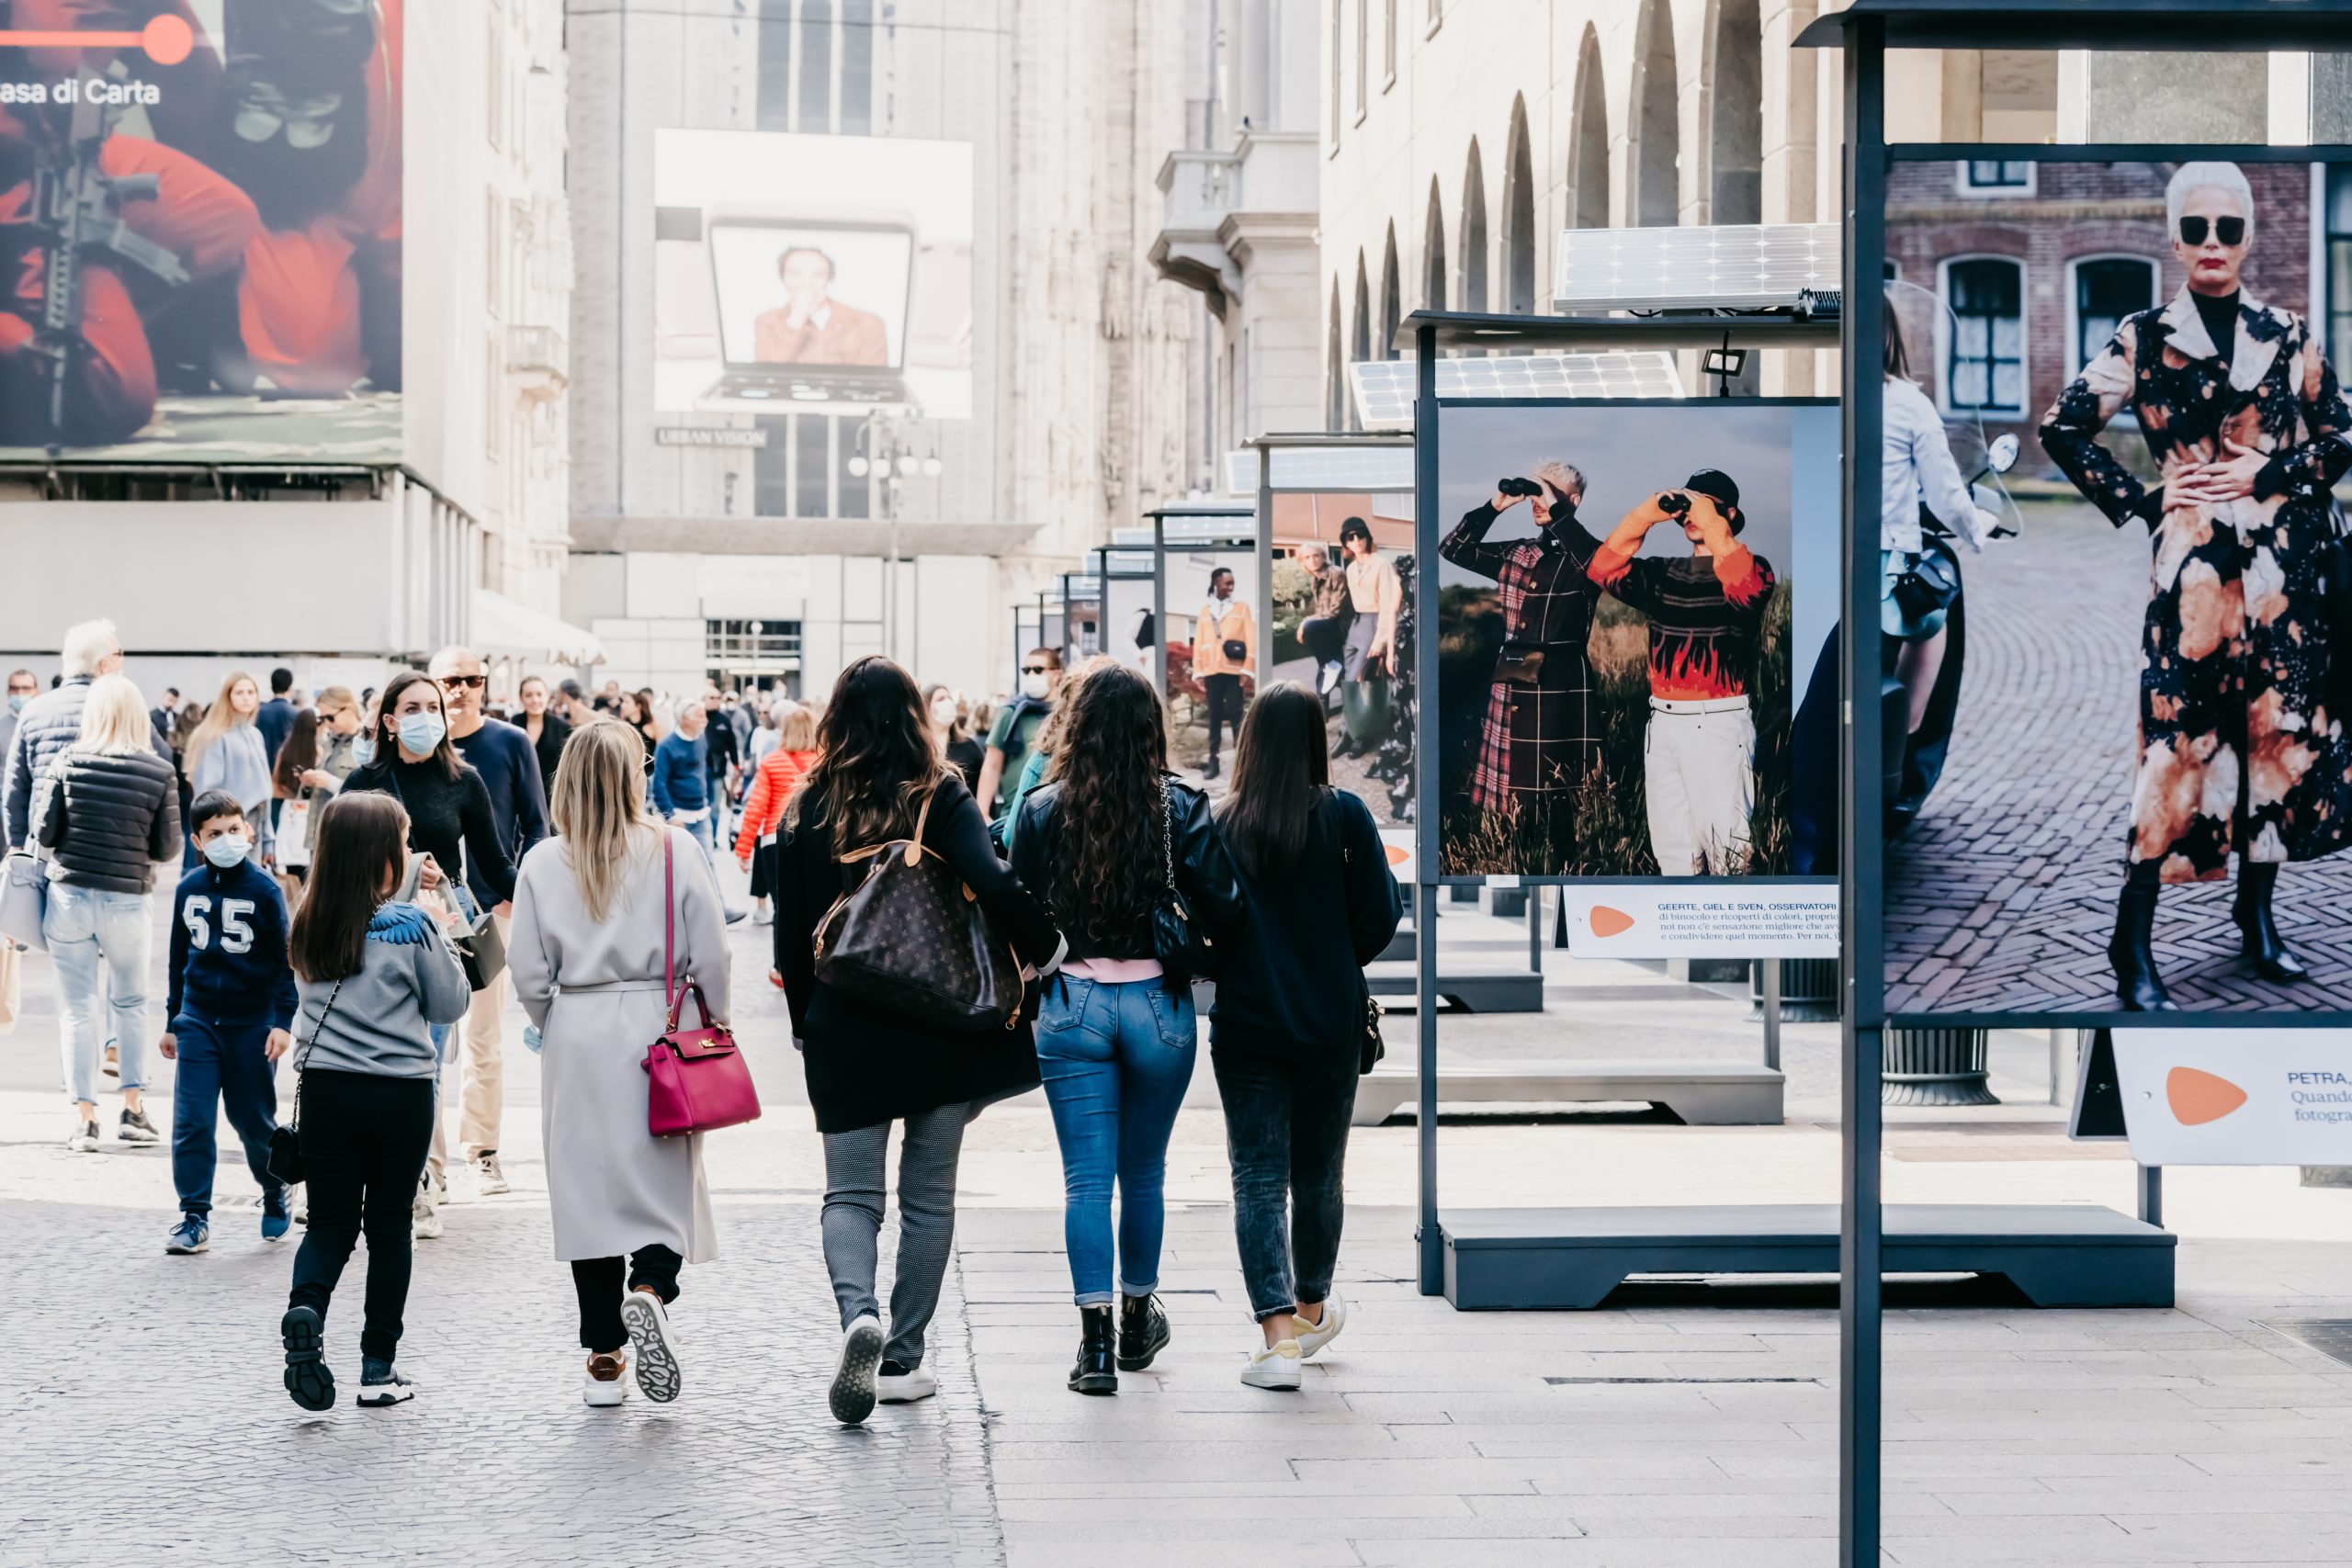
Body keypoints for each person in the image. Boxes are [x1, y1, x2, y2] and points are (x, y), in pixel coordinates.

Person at [2040, 161, 2352, 1011]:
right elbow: (2062, 427)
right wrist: (2143, 497)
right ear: (2175, 238)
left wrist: (2273, 469)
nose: (2213, 244)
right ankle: (2129, 942)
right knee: (2176, 750)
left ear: (2248, 237)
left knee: (2270, 744)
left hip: (2285, 582)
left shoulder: (2289, 335)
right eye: (2197, 229)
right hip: (2196, 585)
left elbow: (2343, 435)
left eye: (2229, 229)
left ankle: (2257, 921)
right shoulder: (2143, 336)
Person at [775, 657, 1064, 1427]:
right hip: (946, 1024)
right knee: (928, 1198)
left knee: (850, 1196)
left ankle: (857, 1319)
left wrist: (811, 1025)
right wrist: (1049, 947)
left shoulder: (805, 806)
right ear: (913, 717)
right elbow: (995, 883)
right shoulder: (939, 794)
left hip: (845, 1025)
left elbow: (789, 939)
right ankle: (901, 1359)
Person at [1010, 662, 1242, 1395]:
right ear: (1152, 727)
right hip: (1160, 1008)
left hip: (1072, 1003)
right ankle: (1141, 1317)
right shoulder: (1181, 805)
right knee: (1143, 1174)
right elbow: (1227, 901)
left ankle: (1097, 1348)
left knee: (1085, 1180)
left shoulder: (1045, 807)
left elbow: (1015, 905)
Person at [510, 720, 729, 1407]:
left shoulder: (543, 861)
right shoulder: (674, 848)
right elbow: (712, 951)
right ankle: (650, 1287)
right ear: (636, 776)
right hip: (659, 1026)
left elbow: (526, 968)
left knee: (585, 1188)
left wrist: (556, 1021)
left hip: (577, 1023)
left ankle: (605, 1354)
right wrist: (714, 1020)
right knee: (664, 1179)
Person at [1209, 681, 1401, 1389]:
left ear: (1250, 742)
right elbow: (1381, 914)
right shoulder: (1346, 814)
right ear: (1318, 740)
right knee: (1319, 1172)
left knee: (1257, 1178)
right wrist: (1331, 954)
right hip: (1330, 1022)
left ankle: (1277, 1341)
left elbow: (1209, 929)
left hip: (1249, 1026)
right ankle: (1313, 1305)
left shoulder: (1223, 822)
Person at [279, 791, 473, 1412]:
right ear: (385, 858)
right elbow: (450, 1005)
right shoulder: (409, 928)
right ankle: (377, 1368)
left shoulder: (306, 921)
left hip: (329, 1093)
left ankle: (306, 1307)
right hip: (399, 1095)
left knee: (331, 1221)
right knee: (389, 1227)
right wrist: (436, 934)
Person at [338, 669, 519, 1235]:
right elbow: (338, 863)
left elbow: (494, 863)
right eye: (411, 708)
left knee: (428, 1061)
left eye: (432, 706)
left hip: (441, 933)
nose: (426, 717)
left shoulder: (463, 781)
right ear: (389, 721)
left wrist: (543, 894)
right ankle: (390, 1173)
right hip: (375, 933)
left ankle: (421, 1179)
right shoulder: (362, 782)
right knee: (382, 1060)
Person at [1587, 473, 1778, 876]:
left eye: (1705, 503)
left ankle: (1730, 929)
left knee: (1728, 846)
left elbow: (1746, 587)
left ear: (1730, 513)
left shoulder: (1754, 569)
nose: (1691, 512)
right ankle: (1685, 929)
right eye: (1688, 506)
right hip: (1664, 721)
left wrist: (1709, 518)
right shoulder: (1663, 572)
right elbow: (1602, 569)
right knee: (1673, 848)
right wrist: (1644, 516)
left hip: (1718, 721)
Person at [38, 675, 181, 1153]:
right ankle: (134, 1110)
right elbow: (166, 847)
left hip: (70, 897)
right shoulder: (158, 771)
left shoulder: (67, 761)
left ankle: (85, 1119)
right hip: (127, 899)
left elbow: (46, 832)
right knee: (131, 1004)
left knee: (77, 1008)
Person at [428, 646, 549, 1200]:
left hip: (487, 914)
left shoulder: (508, 743)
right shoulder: (416, 749)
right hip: (422, 917)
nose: (461, 689)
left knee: (482, 1039)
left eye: (471, 679)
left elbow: (536, 824)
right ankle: (428, 1164)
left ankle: (481, 1151)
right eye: (450, 680)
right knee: (423, 1045)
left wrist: (513, 894)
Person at [160, 791, 298, 1255]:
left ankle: (274, 1185)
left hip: (252, 1023)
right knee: (192, 1120)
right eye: (215, 833)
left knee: (251, 1119)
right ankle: (194, 1215)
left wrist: (282, 1021)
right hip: (198, 1019)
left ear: (249, 831)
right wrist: (172, 1019)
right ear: (198, 841)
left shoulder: (264, 890)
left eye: (233, 830)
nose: (226, 839)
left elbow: (284, 961)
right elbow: (179, 957)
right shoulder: (189, 887)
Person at [1442, 465, 1606, 825]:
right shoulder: (1518, 553)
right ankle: (1515, 850)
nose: (1538, 499)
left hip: (1561, 684)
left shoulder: (1588, 557)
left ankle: (1560, 855)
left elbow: (1597, 562)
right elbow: (1452, 549)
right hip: (1514, 677)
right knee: (1511, 795)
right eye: (1535, 490)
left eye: (1549, 491)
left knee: (1560, 789)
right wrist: (1496, 505)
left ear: (1573, 501)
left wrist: (1557, 511)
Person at [1882, 310, 2003, 737]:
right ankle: (1904, 739)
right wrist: (1979, 526)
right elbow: (1947, 495)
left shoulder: (1829, 395)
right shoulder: (1907, 402)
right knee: (1933, 625)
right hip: (1883, 570)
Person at [5, 620, 160, 850]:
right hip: (112, 846)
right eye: (119, 654)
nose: (122, 660)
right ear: (105, 664)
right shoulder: (124, 708)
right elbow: (159, 766)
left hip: (43, 845)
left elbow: (16, 787)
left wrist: (17, 845)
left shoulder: (33, 710)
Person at [734, 702, 819, 925]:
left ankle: (782, 960)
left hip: (774, 838)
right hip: (813, 838)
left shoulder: (771, 762)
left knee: (781, 908)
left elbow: (756, 807)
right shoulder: (822, 761)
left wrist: (743, 849)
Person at [184, 672, 277, 871]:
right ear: (228, 697)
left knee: (251, 889)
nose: (246, 697)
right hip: (230, 825)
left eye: (251, 692)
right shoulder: (216, 736)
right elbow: (208, 792)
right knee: (233, 887)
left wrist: (269, 839)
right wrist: (228, 830)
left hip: (256, 821)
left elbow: (264, 788)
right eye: (239, 692)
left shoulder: (254, 734)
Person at [752, 245, 889, 367]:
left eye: (817, 275)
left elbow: (872, 384)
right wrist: (796, 320)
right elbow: (766, 376)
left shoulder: (867, 323)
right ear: (784, 280)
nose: (807, 283)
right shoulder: (767, 322)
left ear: (829, 281)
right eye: (795, 274)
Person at [1337, 519, 1403, 760]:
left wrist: (1380, 640)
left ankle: (1354, 736)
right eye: (1350, 537)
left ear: (1367, 537)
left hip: (1374, 623)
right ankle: (1349, 731)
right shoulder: (1351, 567)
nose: (1356, 541)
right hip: (1357, 624)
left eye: (1360, 535)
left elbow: (1387, 604)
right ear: (1345, 541)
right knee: (1347, 678)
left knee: (1357, 679)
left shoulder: (1381, 564)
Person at [976, 648, 1061, 820]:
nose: (1031, 675)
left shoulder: (1066, 712)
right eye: (1026, 670)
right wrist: (982, 814)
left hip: (1056, 812)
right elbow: (992, 765)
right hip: (1014, 814)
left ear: (1056, 674)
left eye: (1038, 669)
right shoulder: (1010, 712)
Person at [1193, 569, 1255, 781]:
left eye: (1233, 582)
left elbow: (1251, 639)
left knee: (1236, 713)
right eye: (1226, 582)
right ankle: (1214, 759)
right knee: (1215, 715)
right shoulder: (1205, 610)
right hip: (1211, 669)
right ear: (1216, 582)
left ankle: (1242, 761)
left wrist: (1247, 669)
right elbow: (1199, 642)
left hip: (1234, 670)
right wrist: (1198, 671)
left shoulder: (1242, 607)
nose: (1230, 586)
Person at [650, 700, 718, 852]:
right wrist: (671, 815)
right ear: (685, 719)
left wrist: (709, 799)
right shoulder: (666, 746)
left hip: (701, 814)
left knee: (707, 864)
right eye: (700, 716)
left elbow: (705, 770)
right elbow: (659, 783)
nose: (705, 720)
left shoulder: (701, 739)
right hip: (678, 817)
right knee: (678, 868)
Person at [269, 708, 323, 894]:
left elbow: (275, 784)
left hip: (286, 809)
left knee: (288, 856)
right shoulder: (319, 752)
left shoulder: (285, 750)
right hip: (311, 811)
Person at [1295, 544, 1353, 698]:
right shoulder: (1315, 578)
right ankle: (1323, 708)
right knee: (1325, 670)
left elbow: (1335, 610)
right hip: (1329, 625)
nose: (1313, 560)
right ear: (1303, 562)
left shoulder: (1336, 574)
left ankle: (1331, 666)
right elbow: (1321, 611)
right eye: (1308, 557)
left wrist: (1305, 622)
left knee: (1310, 628)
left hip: (1342, 626)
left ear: (1323, 557)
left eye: (1316, 556)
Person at [517, 675, 573, 790]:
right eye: (528, 695)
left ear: (547, 696)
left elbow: (569, 767)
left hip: (551, 797)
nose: (535, 700)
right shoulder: (512, 725)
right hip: (517, 797)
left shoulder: (563, 728)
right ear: (521, 698)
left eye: (539, 694)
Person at [927, 682, 986, 793]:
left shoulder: (969, 746)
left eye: (949, 698)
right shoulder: (920, 747)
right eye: (941, 699)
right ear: (926, 707)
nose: (947, 702)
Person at [255, 668, 297, 766]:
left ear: (271, 687)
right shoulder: (295, 713)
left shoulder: (259, 711)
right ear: (290, 688)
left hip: (263, 765)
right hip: (286, 768)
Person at [1, 667, 37, 775]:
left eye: (26, 688)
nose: (20, 693)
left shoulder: (46, 726)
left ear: (36, 691)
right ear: (8, 692)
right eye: (14, 688)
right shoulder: (1, 727)